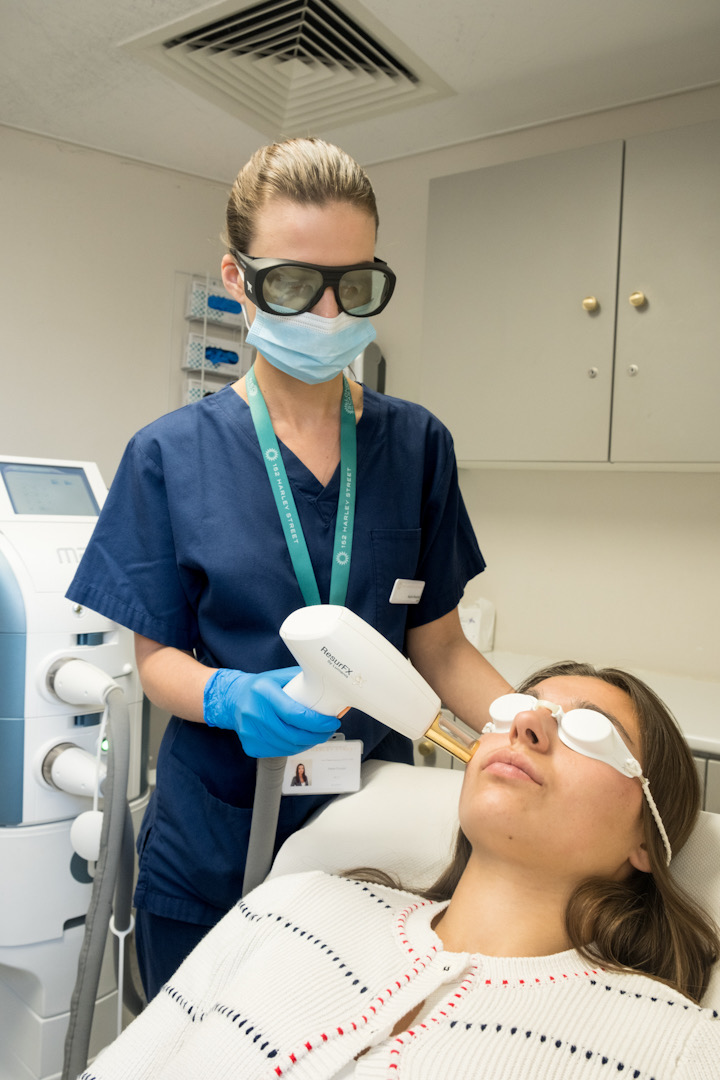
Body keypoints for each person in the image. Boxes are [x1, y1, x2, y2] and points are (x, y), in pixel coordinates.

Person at [66, 137, 511, 1000]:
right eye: (294, 285)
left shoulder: (416, 446)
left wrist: (529, 723)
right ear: (238, 278)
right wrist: (233, 698)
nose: (329, 312)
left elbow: (442, 649)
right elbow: (156, 663)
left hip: (372, 838)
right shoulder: (167, 456)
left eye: (355, 284)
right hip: (217, 837)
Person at [77, 661, 720, 1079]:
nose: (523, 722)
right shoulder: (291, 906)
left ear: (648, 838)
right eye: (513, 710)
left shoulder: (676, 1047)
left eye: (588, 730)